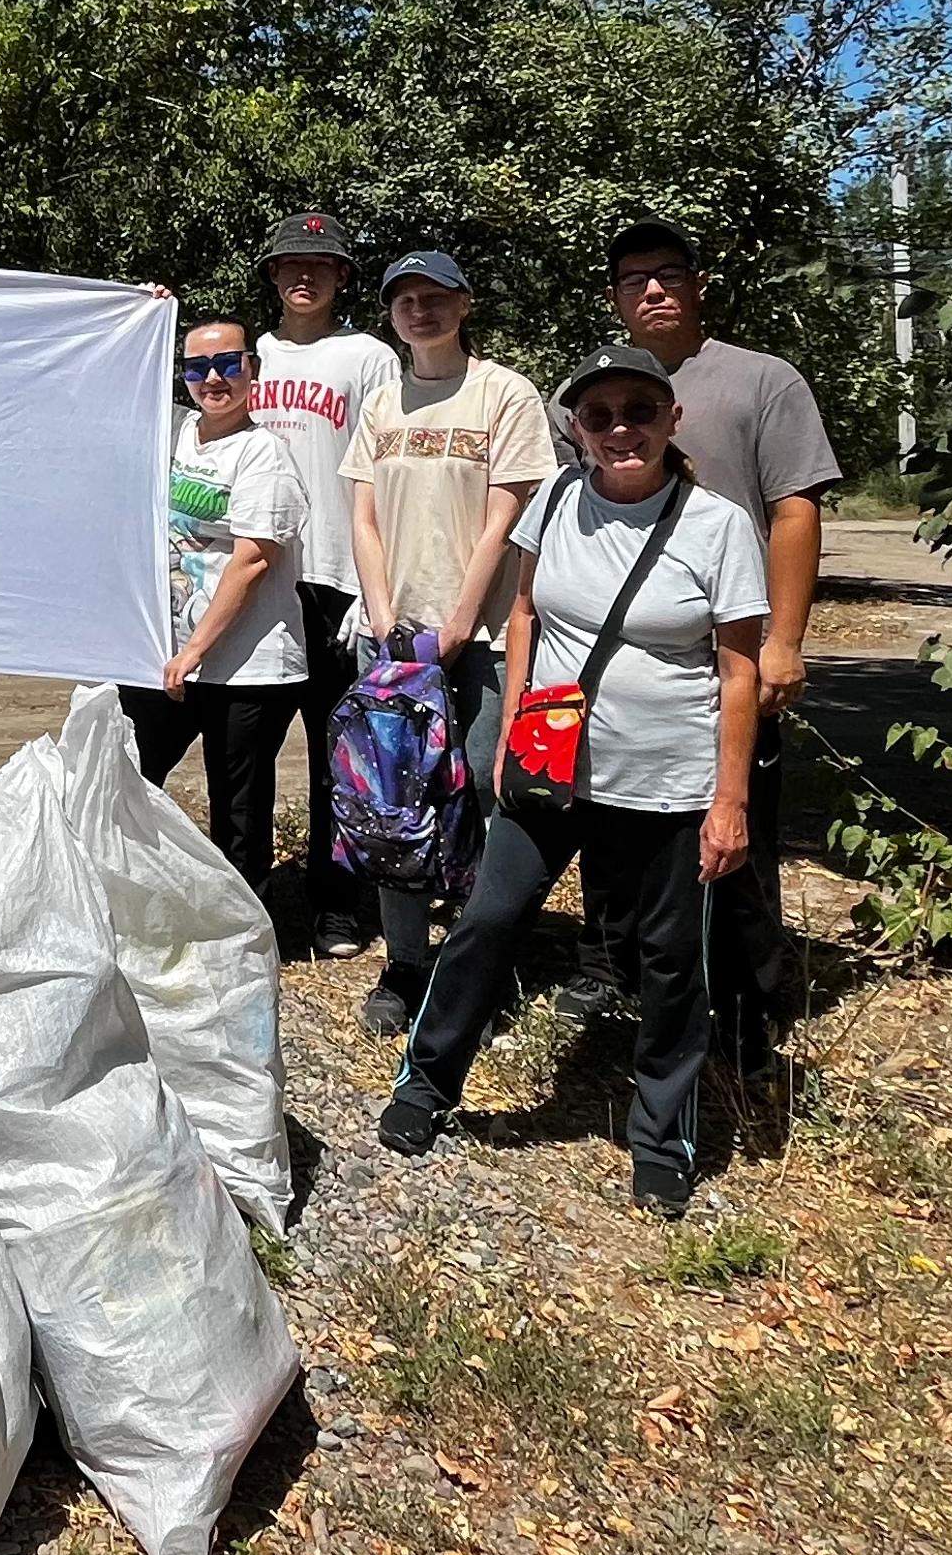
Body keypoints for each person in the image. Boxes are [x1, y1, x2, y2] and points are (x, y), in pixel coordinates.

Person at [378, 343, 768, 1222]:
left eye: (639, 411)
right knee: (487, 920)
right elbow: (522, 613)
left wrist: (730, 800)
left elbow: (738, 671)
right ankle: (427, 1084)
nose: (620, 430)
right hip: (552, 767)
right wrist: (515, 724)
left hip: (669, 782)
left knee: (670, 963)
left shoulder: (717, 526)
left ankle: (661, 1140)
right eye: (599, 415)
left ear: (672, 420)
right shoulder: (555, 499)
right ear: (578, 429)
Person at [557, 223, 846, 1038]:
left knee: (733, 823)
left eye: (668, 274)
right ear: (615, 297)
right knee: (608, 822)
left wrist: (784, 640)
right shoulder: (588, 391)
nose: (652, 290)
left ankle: (748, 997)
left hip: (725, 648)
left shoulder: (762, 381)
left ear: (699, 284)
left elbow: (794, 510)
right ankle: (608, 965)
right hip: (615, 656)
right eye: (634, 279)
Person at [337, 250, 558, 1038]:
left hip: (485, 639)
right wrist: (382, 615)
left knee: (488, 799)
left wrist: (460, 622)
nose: (420, 311)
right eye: (405, 300)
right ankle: (406, 965)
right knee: (392, 800)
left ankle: (477, 970)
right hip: (392, 641)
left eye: (436, 297)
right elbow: (364, 518)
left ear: (465, 304)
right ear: (391, 315)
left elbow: (507, 517)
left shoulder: (504, 394)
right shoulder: (381, 404)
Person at [246, 210, 400, 958]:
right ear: (273, 275)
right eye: (289, 264)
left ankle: (337, 902)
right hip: (256, 574)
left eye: (320, 264)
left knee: (337, 750)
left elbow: (388, 470)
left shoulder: (369, 357)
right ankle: (248, 897)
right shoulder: (251, 354)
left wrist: (375, 587)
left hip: (335, 577)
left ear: (342, 276)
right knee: (248, 748)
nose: (303, 276)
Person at [120, 317, 309, 894]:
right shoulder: (172, 431)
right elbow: (115, 382)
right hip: (165, 653)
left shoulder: (264, 453)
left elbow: (252, 560)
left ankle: (249, 922)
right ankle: (132, 895)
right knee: (127, 774)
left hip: (245, 666)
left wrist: (195, 651)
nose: (213, 379)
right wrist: (142, 315)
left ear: (252, 369)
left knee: (238, 808)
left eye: (228, 364)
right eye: (197, 368)